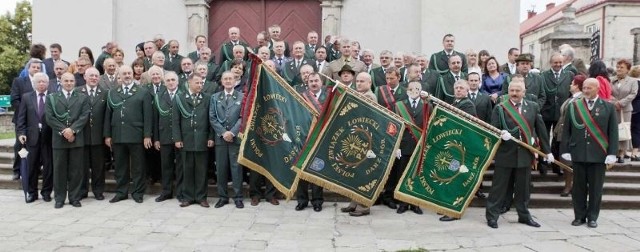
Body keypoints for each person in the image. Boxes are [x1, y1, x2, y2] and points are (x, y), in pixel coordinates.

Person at [485, 75, 553, 229]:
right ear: (508, 91)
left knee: (523, 189)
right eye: (512, 90)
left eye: (518, 90)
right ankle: (492, 216)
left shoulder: (533, 106)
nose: (514, 93)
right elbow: (493, 129)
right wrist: (501, 134)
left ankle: (524, 216)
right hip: (505, 153)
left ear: (524, 92)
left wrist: (547, 151)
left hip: (525, 154)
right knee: (498, 188)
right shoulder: (500, 108)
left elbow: (541, 130)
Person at [561, 78, 618, 228]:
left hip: (599, 154)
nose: (585, 91)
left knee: (595, 188)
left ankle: (592, 216)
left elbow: (613, 132)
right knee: (578, 188)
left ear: (597, 89)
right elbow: (566, 130)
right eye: (584, 88)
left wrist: (612, 153)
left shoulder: (608, 107)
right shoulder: (574, 106)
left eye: (589, 88)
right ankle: (579, 216)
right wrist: (565, 150)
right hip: (578, 152)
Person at [104, 65, 153, 204]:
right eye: (124, 73)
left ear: (132, 74)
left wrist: (147, 135)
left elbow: (148, 116)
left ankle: (138, 193)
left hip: (136, 135)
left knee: (138, 166)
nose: (127, 75)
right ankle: (121, 192)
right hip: (118, 135)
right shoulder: (113, 92)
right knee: (120, 166)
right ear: (119, 75)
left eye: (129, 73)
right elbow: (108, 115)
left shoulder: (142, 92)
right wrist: (107, 135)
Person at [46, 72, 90, 208]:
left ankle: (74, 197)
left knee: (76, 170)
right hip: (59, 140)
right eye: (66, 81)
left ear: (75, 82)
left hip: (76, 139)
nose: (69, 83)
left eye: (71, 81)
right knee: (59, 170)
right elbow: (49, 117)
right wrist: (64, 131)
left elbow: (84, 116)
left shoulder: (82, 97)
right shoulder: (52, 98)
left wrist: (73, 130)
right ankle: (59, 198)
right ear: (61, 82)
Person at [173, 74, 214, 208]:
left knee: (201, 170)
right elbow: (175, 120)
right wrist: (178, 138)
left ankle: (202, 197)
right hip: (186, 139)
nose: (200, 85)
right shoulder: (180, 98)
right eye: (197, 82)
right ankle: (188, 197)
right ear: (189, 82)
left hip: (202, 139)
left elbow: (211, 120)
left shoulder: (207, 98)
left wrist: (210, 137)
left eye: (202, 83)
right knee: (187, 169)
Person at [341, 72, 376, 217]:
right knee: (356, 172)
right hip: (358, 137)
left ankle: (364, 206)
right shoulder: (358, 94)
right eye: (358, 81)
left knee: (363, 174)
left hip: (365, 140)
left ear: (369, 83)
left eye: (362, 81)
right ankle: (354, 202)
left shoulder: (369, 96)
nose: (359, 83)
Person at [17, 72, 54, 203]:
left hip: (48, 138)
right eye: (39, 81)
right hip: (31, 138)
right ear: (34, 84)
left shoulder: (52, 97)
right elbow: (21, 119)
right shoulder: (26, 97)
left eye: (44, 81)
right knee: (32, 167)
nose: (42, 84)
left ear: (48, 83)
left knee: (49, 167)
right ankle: (32, 192)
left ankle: (46, 192)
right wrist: (21, 133)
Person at [210, 71, 245, 209]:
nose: (228, 81)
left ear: (236, 81)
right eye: (225, 79)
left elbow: (243, 117)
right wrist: (223, 132)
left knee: (236, 169)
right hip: (221, 139)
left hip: (235, 139)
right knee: (221, 168)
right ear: (222, 81)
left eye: (231, 78)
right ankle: (222, 197)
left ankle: (238, 197)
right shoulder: (215, 97)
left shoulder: (242, 97)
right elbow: (212, 117)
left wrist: (232, 132)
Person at [393, 81, 425, 215]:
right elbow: (395, 126)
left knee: (416, 175)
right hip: (404, 145)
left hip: (419, 145)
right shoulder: (399, 105)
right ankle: (403, 203)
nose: (414, 90)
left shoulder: (427, 105)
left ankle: (415, 203)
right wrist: (397, 145)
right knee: (402, 175)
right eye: (411, 88)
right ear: (407, 91)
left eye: (417, 88)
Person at [295, 72, 326, 212]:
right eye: (311, 81)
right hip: (304, 138)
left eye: (316, 80)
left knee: (316, 170)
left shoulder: (328, 97)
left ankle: (317, 201)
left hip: (320, 139)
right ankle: (302, 200)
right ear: (307, 83)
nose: (314, 83)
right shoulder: (302, 97)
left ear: (321, 82)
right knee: (301, 171)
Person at [10, 59, 46, 181]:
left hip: (39, 120)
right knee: (19, 145)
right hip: (23, 119)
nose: (36, 69)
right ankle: (17, 170)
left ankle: (36, 169)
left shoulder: (43, 82)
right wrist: (26, 113)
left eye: (38, 68)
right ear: (28, 68)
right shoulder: (19, 81)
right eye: (33, 67)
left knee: (36, 145)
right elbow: (14, 99)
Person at [77, 67, 108, 201]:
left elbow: (107, 116)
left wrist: (107, 134)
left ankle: (98, 190)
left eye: (96, 76)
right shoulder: (77, 92)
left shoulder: (105, 93)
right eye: (91, 76)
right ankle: (83, 190)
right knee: (82, 166)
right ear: (85, 77)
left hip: (98, 136)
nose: (94, 78)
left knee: (98, 166)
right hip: (82, 135)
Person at [541, 53, 574, 175]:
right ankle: (543, 163)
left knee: (557, 140)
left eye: (560, 62)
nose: (558, 65)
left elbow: (571, 94)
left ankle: (556, 165)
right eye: (556, 62)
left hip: (561, 114)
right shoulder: (543, 75)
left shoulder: (569, 75)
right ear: (551, 63)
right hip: (546, 112)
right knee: (544, 138)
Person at [153, 71, 182, 202]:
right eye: (168, 80)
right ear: (164, 83)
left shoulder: (183, 95)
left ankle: (181, 192)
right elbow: (155, 119)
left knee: (181, 166)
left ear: (177, 82)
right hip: (164, 136)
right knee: (166, 166)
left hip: (180, 138)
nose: (170, 82)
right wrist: (156, 138)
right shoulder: (159, 96)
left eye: (173, 80)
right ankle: (166, 191)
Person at [554, 74, 585, 197]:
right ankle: (568, 184)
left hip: (574, 135)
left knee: (572, 162)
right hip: (563, 133)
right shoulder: (571, 98)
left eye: (572, 83)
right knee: (566, 162)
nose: (570, 85)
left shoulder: (581, 99)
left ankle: (571, 186)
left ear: (577, 85)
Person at [610, 59, 638, 163]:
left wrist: (621, 103)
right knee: (613, 130)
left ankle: (621, 153)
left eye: (622, 67)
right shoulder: (611, 79)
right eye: (617, 67)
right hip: (613, 108)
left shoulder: (632, 81)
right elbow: (608, 92)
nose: (619, 69)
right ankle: (614, 152)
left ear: (628, 70)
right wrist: (614, 102)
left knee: (623, 130)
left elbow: (633, 94)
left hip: (625, 109)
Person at [629, 66, 640, 160]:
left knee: (627, 128)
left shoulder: (630, 82)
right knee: (636, 130)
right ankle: (634, 152)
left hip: (628, 107)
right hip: (638, 109)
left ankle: (623, 151)